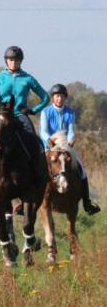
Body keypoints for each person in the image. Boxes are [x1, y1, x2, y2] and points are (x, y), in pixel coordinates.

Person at [0, 46, 49, 187]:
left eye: (17, 60)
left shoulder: (28, 79)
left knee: (35, 141)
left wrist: (33, 110)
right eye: (11, 59)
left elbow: (45, 97)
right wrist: (0, 109)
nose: (14, 62)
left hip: (19, 114)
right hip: (1, 115)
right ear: (6, 61)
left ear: (20, 61)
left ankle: (37, 173)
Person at [39, 83, 100, 215]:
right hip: (49, 147)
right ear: (53, 98)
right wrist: (52, 142)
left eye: (61, 96)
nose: (59, 99)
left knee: (81, 170)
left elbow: (71, 131)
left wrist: (68, 142)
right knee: (33, 169)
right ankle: (24, 202)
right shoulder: (46, 112)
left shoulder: (69, 112)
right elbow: (43, 131)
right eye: (57, 96)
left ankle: (87, 202)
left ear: (64, 98)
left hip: (65, 148)